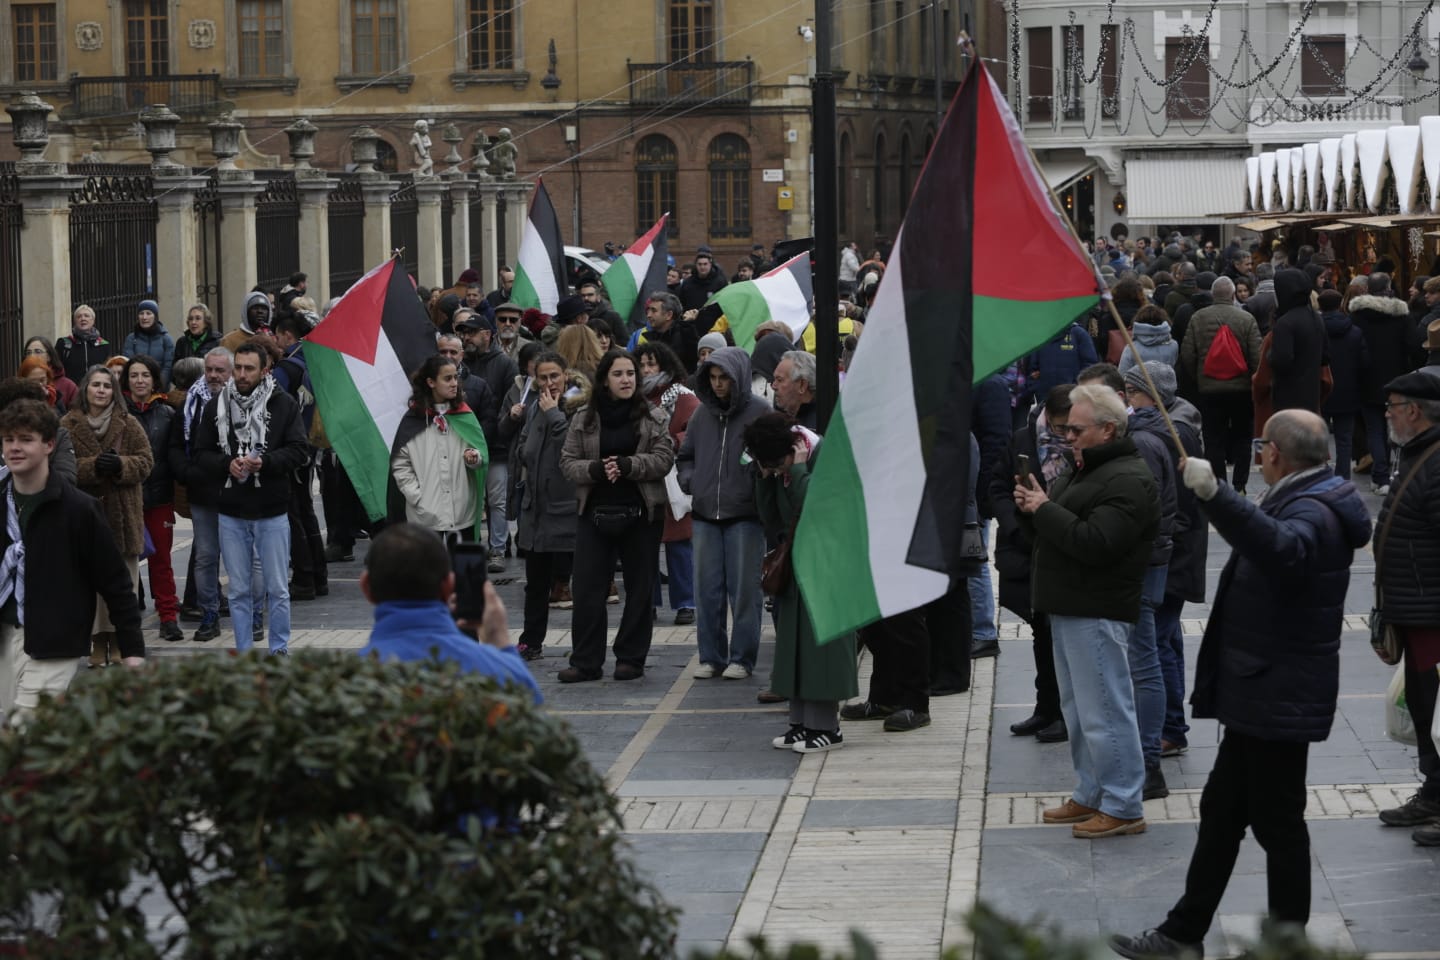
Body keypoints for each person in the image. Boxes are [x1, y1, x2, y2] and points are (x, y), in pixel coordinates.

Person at [1109, 410, 1370, 960]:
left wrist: (1214, 494)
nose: (1257, 453)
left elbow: (1282, 549)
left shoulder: (1315, 509)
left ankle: (1281, 941)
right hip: (1265, 688)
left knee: (1277, 823)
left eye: (1261, 445)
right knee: (1224, 812)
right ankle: (1183, 933)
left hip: (1277, 691)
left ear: (1274, 452)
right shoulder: (1309, 493)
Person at [1013, 383, 1159, 839]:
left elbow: (1096, 544)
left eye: (1076, 429)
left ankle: (1123, 803)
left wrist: (1045, 510)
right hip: (1070, 603)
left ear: (1108, 429)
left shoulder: (1127, 478)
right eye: (1065, 429)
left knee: (1105, 710)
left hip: (1097, 606)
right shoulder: (1089, 468)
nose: (1067, 437)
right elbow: (1064, 524)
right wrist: (1036, 506)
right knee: (1079, 709)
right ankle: (1092, 790)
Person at [0, 399, 145, 726]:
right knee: (13, 734)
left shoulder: (78, 509)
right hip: (6, 636)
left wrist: (132, 650)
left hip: (54, 638)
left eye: (26, 439)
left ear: (49, 444)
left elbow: (116, 583)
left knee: (24, 727)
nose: (15, 448)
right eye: (8, 439)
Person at [558, 350, 675, 682]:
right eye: (618, 374)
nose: (626, 380)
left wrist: (629, 466)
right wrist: (595, 469)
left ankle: (631, 658)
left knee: (640, 589)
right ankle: (585, 661)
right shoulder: (584, 417)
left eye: (631, 374)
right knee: (587, 589)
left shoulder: (652, 416)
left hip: (641, 513)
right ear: (604, 380)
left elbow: (664, 458)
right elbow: (567, 462)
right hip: (594, 512)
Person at [191, 341, 309, 654]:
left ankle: (279, 651)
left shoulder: (283, 404)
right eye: (238, 368)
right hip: (231, 510)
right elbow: (200, 452)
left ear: (264, 370)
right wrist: (225, 463)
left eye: (249, 369)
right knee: (239, 590)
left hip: (271, 510)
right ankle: (244, 653)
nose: (241, 375)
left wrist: (265, 462)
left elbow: (299, 450)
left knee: (277, 589)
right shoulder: (216, 404)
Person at [748, 412, 857, 752]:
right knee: (794, 644)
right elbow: (771, 517)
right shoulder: (780, 465)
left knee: (819, 647)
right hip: (798, 561)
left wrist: (796, 471)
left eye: (776, 464)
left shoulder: (822, 453)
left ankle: (827, 727)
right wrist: (764, 478)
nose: (778, 470)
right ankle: (801, 722)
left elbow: (817, 505)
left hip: (829, 561)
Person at [356, 522, 541, 703]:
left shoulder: (342, 683)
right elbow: (534, 715)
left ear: (366, 587)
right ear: (449, 587)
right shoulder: (499, 673)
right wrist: (499, 639)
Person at [1371, 370, 1440, 847]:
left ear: (1413, 410)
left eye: (1392, 407)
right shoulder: (1418, 453)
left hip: (1432, 610)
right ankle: (1434, 789)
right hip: (1415, 607)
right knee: (1423, 705)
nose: (1389, 415)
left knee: (1438, 711)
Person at [678, 347, 770, 679]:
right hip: (705, 515)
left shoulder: (760, 412)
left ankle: (742, 658)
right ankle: (711, 656)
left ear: (738, 379)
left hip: (744, 516)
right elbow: (685, 455)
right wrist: (690, 480)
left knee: (745, 590)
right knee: (707, 589)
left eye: (724, 379)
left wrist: (754, 487)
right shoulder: (702, 415)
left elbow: (771, 456)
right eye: (713, 378)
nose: (718, 385)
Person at [992, 385, 1073, 743]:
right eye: (1057, 427)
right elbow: (995, 486)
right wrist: (1014, 525)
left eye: (1069, 428)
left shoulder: (1083, 445)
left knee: (1063, 640)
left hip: (1066, 552)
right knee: (1041, 634)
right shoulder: (1023, 439)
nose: (1064, 435)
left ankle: (1064, 714)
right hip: (1027, 552)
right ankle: (1045, 709)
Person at [61, 365, 154, 668]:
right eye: (96, 385)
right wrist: (92, 467)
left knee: (123, 582)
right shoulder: (68, 424)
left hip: (122, 514)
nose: (101, 390)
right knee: (88, 582)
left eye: (107, 385)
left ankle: (120, 642)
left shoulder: (128, 423)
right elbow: (60, 467)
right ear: (85, 389)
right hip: (84, 512)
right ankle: (96, 641)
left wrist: (121, 465)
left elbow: (146, 462)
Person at [514, 352, 586, 661]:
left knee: (579, 583)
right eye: (542, 378)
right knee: (536, 584)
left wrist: (554, 414)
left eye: (554, 376)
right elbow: (524, 445)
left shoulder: (577, 404)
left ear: (565, 375)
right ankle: (531, 641)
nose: (549, 383)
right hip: (536, 509)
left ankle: (584, 644)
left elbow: (572, 447)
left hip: (566, 509)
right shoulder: (535, 407)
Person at [169, 347, 232, 641]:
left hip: (237, 494)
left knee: (241, 558)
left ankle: (249, 614)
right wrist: (186, 472)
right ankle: (209, 614)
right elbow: (175, 445)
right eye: (209, 369)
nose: (213, 376)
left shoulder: (246, 402)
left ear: (231, 372)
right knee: (206, 556)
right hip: (203, 493)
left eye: (220, 370)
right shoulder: (190, 403)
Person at [389, 356, 486, 544]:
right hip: (424, 516)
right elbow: (400, 463)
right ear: (431, 382)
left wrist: (474, 458)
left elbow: (480, 453)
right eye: (447, 379)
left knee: (461, 570)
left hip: (461, 513)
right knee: (428, 571)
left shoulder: (464, 416)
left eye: (455, 378)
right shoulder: (414, 419)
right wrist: (417, 496)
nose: (454, 384)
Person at [1180, 276, 1262, 494]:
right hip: (1241, 390)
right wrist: (1253, 379)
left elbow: (1188, 353)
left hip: (1209, 390)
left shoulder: (1198, 318)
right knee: (1243, 437)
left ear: (1213, 295)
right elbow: (1257, 357)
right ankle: (1240, 484)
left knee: (1213, 438)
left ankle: (1219, 485)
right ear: (1233, 295)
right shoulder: (1246, 319)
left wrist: (1199, 377)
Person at [636, 341, 699, 626]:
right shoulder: (633, 396)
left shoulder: (683, 397)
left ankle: (686, 602)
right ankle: (646, 601)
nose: (646, 370)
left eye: (652, 364)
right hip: (641, 475)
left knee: (679, 544)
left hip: (673, 478)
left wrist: (672, 443)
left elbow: (695, 432)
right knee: (643, 545)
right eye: (643, 364)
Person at [125, 354, 182, 643]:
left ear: (154, 379)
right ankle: (125, 621)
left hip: (160, 499)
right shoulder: (119, 414)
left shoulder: (168, 414)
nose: (139, 381)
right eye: (134, 375)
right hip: (127, 499)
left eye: (145, 375)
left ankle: (168, 617)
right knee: (126, 563)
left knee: (161, 560)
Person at [456, 309, 519, 571]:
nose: (466, 338)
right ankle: (469, 546)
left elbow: (508, 403)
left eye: (471, 333)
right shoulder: (462, 367)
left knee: (497, 500)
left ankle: (497, 548)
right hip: (466, 447)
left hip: (497, 446)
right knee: (469, 499)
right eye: (463, 333)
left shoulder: (504, 364)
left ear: (486, 335)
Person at [1349, 273, 1414, 494]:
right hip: (1397, 378)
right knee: (1397, 427)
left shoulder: (1358, 315)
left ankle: (1381, 477)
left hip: (1367, 379)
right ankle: (1395, 474)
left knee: (1374, 429)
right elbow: (1412, 346)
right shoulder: (1401, 316)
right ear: (1389, 287)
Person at [1319, 288, 1367, 481]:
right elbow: (1364, 362)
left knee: (1318, 437)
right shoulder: (1354, 331)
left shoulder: (1316, 329)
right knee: (1344, 439)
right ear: (1340, 305)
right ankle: (1343, 478)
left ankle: (1320, 476)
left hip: (1321, 389)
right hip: (1348, 391)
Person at [630, 292, 700, 372]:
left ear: (669, 315)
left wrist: (688, 325)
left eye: (654, 311)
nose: (648, 315)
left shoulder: (686, 336)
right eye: (648, 311)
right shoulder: (650, 337)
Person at [56, 304, 117, 384]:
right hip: (73, 391)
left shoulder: (104, 345)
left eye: (86, 316)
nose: (83, 318)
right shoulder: (64, 343)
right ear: (75, 321)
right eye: (79, 316)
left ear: (93, 321)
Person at [122, 299, 175, 388]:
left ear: (155, 316)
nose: (144, 317)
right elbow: (128, 364)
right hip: (137, 388)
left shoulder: (166, 339)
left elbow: (168, 367)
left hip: (159, 389)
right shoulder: (131, 338)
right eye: (141, 313)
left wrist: (158, 385)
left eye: (148, 313)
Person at [1118, 304, 1178, 374]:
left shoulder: (1131, 348)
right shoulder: (1173, 345)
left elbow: (1123, 374)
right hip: (1167, 384)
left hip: (1137, 384)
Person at [23, 336, 78, 408]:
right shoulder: (19, 384)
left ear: (49, 356)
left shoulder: (68, 386)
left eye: (38, 351)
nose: (32, 356)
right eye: (28, 353)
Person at [679, 247, 729, 312]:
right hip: (692, 320)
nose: (702, 267)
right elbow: (682, 303)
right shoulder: (687, 283)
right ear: (696, 265)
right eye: (699, 264)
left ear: (710, 265)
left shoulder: (720, 282)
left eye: (705, 264)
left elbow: (726, 303)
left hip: (714, 320)